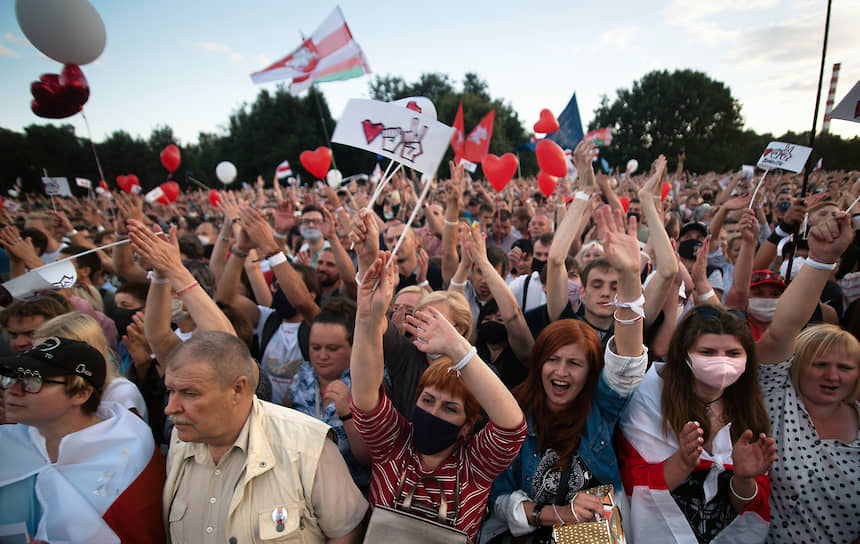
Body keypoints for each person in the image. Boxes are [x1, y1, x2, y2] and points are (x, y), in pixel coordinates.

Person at [487, 205, 648, 542]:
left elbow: (627, 361)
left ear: (592, 373)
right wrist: (552, 515)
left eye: (575, 364)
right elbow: (497, 495)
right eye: (553, 360)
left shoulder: (600, 407)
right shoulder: (514, 413)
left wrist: (631, 280)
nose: (561, 372)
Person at [350, 251, 527, 542]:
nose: (433, 413)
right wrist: (367, 315)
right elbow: (365, 395)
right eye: (428, 401)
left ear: (468, 425)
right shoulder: (393, 444)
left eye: (449, 408)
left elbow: (511, 428)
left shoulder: (475, 465)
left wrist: (458, 349)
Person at [162, 331, 368, 543]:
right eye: (170, 391)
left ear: (237, 389)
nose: (171, 408)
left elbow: (346, 531)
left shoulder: (308, 445)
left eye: (190, 393)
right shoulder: (179, 444)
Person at [618, 306, 777, 543]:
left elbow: (750, 505)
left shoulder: (748, 407)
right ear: (684, 354)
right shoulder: (649, 398)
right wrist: (682, 462)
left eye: (733, 353)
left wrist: (743, 479)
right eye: (708, 352)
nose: (722, 362)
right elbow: (634, 484)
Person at [755, 209, 859, 543]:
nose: (832, 376)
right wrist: (820, 259)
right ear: (797, 365)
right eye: (820, 364)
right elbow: (782, 331)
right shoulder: (777, 397)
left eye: (845, 368)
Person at [0, 337, 165, 543]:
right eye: (10, 378)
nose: (12, 391)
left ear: (81, 393)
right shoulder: (7, 442)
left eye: (32, 381)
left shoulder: (133, 457)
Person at [287, 298, 372, 493]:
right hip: (302, 490)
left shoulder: (368, 384)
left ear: (353, 347)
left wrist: (348, 414)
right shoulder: (301, 378)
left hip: (352, 495)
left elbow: (370, 459)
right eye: (315, 348)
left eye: (332, 349)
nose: (322, 356)